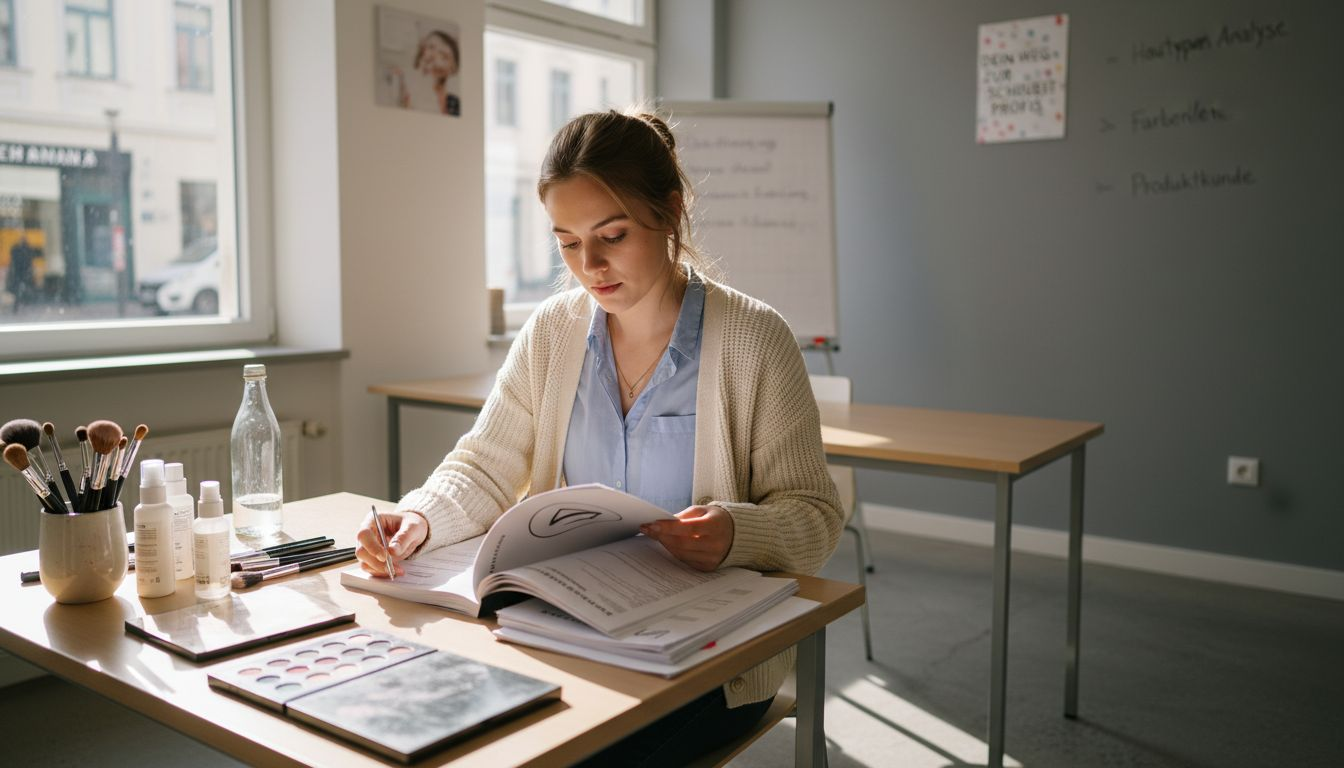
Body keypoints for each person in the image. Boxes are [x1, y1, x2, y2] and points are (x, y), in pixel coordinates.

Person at [356, 109, 842, 766]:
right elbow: (485, 464)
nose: (590, 265)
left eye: (611, 235)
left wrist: (735, 532)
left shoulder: (755, 340)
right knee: (435, 727)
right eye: (566, 241)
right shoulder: (553, 332)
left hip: (704, 661)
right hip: (566, 628)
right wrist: (417, 519)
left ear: (669, 213)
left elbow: (813, 517)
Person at [396, 29, 460, 116]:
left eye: (444, 55)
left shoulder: (455, 103)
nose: (432, 55)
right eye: (430, 47)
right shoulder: (404, 87)